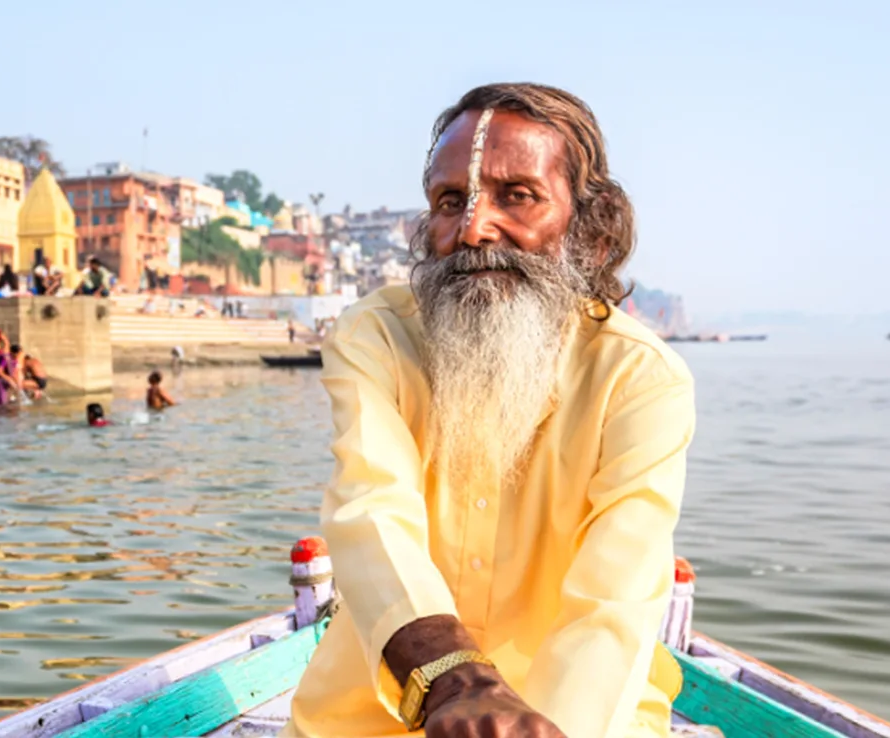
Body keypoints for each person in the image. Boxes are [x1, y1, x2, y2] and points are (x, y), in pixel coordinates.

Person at [282, 84, 695, 738]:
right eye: (451, 202)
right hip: (369, 717)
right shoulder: (378, 336)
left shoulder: (640, 379)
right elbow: (371, 512)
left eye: (517, 195)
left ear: (593, 232)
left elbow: (610, 608)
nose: (472, 229)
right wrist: (457, 680)